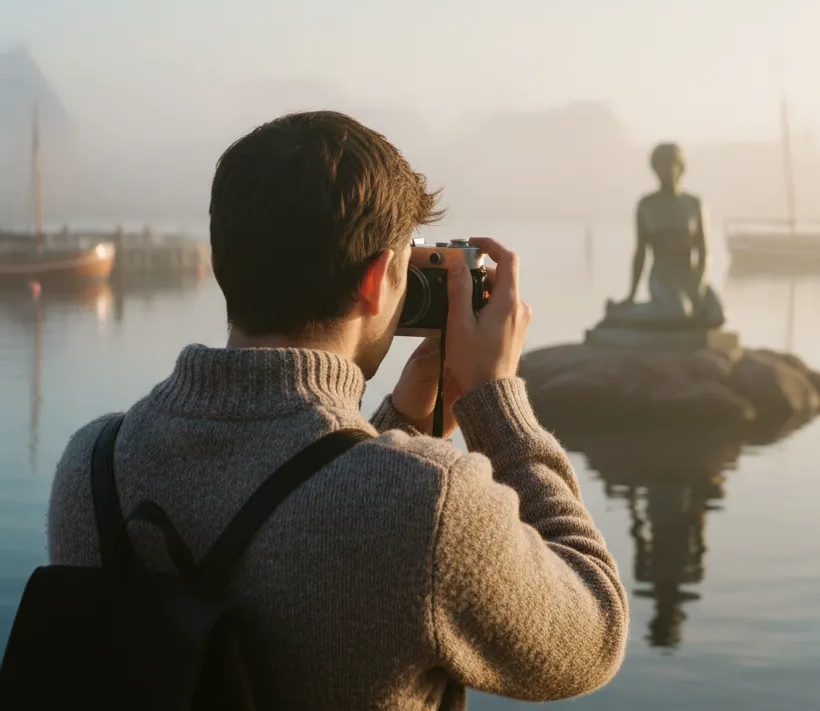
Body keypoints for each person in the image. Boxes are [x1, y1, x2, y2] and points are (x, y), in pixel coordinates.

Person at [45, 111, 628, 710]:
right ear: (379, 280)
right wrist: (497, 405)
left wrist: (399, 422)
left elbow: (302, 511)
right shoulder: (430, 503)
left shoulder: (92, 465)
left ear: (222, 264)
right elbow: (594, 632)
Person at [614, 142, 725, 327]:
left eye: (672, 165)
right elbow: (640, 252)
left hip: (689, 275)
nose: (667, 171)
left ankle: (665, 309)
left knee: (717, 315)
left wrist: (700, 283)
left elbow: (704, 250)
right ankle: (626, 313)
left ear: (681, 168)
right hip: (662, 276)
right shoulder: (646, 205)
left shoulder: (694, 204)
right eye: (661, 166)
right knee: (678, 312)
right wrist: (631, 294)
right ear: (655, 170)